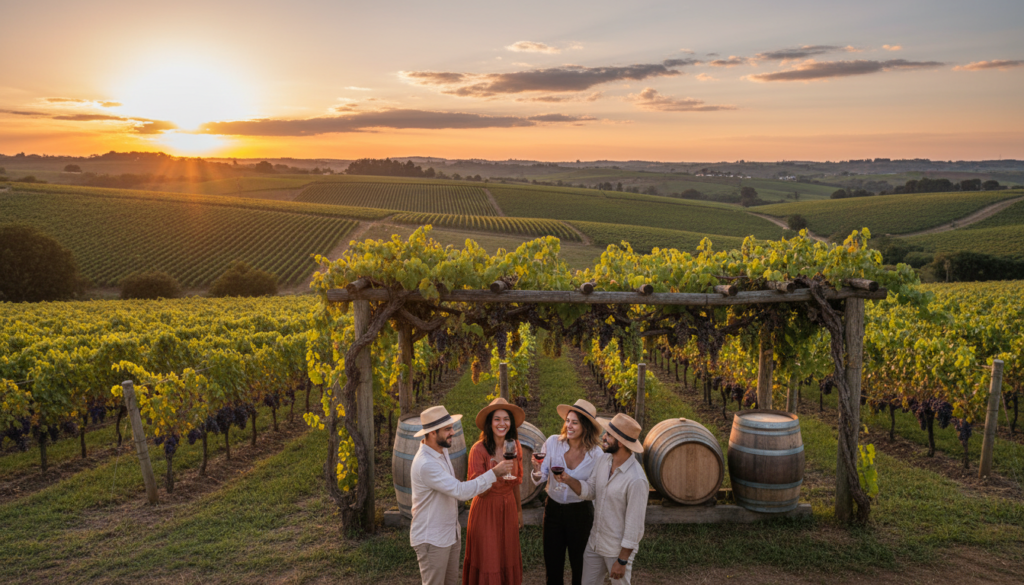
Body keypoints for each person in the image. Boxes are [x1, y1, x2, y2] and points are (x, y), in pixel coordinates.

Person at [410, 405, 515, 585]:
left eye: (452, 427)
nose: (453, 432)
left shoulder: (441, 451)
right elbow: (460, 492)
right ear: (432, 433)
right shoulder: (427, 464)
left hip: (449, 533)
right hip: (433, 538)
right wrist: (494, 473)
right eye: (447, 429)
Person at [553, 413, 648, 585]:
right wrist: (567, 479)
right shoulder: (604, 460)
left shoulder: (636, 480)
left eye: (609, 435)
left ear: (620, 442)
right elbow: (590, 491)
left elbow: (635, 526)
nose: (603, 437)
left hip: (617, 551)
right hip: (595, 544)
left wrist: (622, 560)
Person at [530, 399, 604, 585]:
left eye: (574, 422)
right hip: (553, 511)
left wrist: (569, 480)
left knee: (580, 567)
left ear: (585, 426)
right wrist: (537, 470)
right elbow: (541, 477)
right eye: (567, 421)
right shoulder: (553, 443)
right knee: (553, 567)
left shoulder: (597, 455)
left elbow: (593, 492)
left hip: (580, 513)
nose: (568, 426)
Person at [463, 397, 526, 585]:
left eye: (506, 419)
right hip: (485, 510)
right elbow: (478, 491)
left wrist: (519, 511)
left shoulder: (515, 446)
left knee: (507, 556)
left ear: (511, 423)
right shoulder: (478, 450)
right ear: (490, 423)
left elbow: (515, 482)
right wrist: (494, 472)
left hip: (508, 508)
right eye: (497, 419)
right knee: (489, 559)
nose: (502, 423)